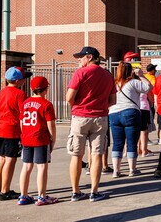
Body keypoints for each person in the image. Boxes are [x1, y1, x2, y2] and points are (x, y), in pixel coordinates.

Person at [66, 46, 116, 202]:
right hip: (100, 118)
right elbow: (113, 100)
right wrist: (99, 106)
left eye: (81, 57)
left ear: (89, 57)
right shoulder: (107, 75)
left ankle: (76, 191)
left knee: (76, 155)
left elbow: (69, 97)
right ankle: (94, 191)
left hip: (80, 117)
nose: (79, 60)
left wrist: (79, 106)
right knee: (96, 155)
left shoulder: (80, 73)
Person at [18, 76, 58, 206]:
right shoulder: (46, 104)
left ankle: (23, 196)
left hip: (26, 137)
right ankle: (42, 196)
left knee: (26, 166)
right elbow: (50, 124)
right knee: (42, 167)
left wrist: (23, 134)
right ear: (45, 90)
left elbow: (21, 122)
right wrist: (53, 139)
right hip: (40, 138)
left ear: (32, 89)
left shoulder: (25, 103)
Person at [109, 61, 151, 178]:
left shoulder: (114, 84)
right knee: (131, 142)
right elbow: (148, 87)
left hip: (114, 113)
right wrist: (141, 76)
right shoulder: (134, 82)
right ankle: (132, 169)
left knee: (117, 143)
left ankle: (116, 171)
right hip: (130, 112)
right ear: (130, 71)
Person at [0, 66, 27, 201]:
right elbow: (22, 114)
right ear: (18, 81)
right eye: (23, 79)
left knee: (1, 158)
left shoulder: (0, 92)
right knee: (10, 159)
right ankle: (5, 190)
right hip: (11, 129)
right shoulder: (19, 94)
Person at [139, 63, 157, 157]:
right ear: (153, 70)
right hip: (146, 105)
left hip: (137, 107)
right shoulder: (152, 79)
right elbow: (152, 90)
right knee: (145, 129)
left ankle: (139, 147)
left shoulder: (142, 77)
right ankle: (144, 147)